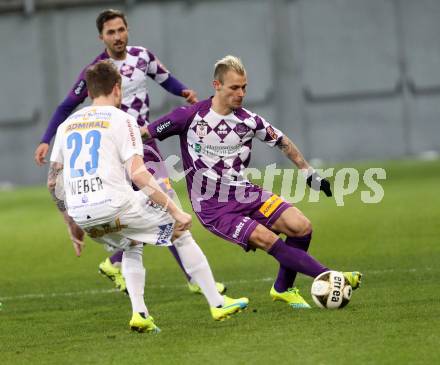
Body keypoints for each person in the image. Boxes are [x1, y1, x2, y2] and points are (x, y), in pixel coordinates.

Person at [142, 55, 363, 309]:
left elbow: (282, 141)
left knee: (301, 226)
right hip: (214, 208)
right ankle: (331, 276)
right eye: (234, 87)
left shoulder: (248, 120)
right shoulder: (189, 116)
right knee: (269, 240)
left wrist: (308, 172)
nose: (241, 93)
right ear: (217, 85)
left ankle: (283, 288)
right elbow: (145, 133)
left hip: (245, 193)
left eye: (244, 87)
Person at [35, 9, 225, 295]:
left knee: (158, 204)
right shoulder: (97, 71)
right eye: (110, 32)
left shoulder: (142, 57)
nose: (117, 36)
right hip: (118, 147)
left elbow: (165, 77)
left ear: (127, 29)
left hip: (144, 141)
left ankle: (118, 262)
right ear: (101, 37)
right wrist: (46, 139)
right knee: (164, 202)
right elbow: (65, 106)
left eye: (121, 29)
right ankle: (189, 277)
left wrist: (184, 91)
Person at [48, 61, 248, 332]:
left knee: (132, 243)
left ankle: (140, 314)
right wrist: (175, 211)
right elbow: (139, 174)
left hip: (83, 216)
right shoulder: (123, 119)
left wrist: (72, 225)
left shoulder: (66, 126)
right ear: (117, 88)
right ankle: (217, 302)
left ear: (90, 92)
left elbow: (53, 182)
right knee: (179, 230)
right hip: (114, 206)